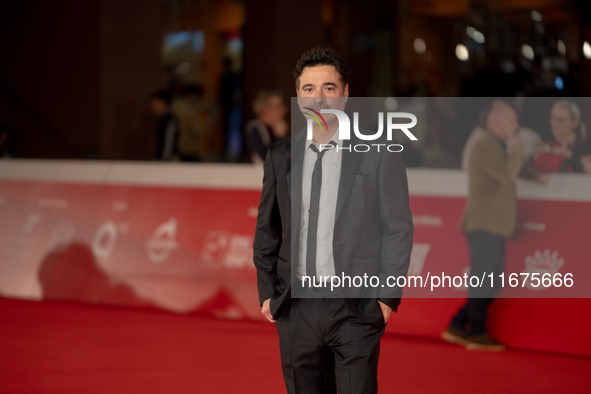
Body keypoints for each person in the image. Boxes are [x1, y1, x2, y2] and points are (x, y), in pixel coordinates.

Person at [253, 47, 413, 393]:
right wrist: (268, 292)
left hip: (355, 307)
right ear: (298, 97)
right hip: (296, 307)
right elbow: (266, 229)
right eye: (309, 89)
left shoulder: (380, 153)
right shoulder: (281, 155)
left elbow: (397, 228)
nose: (318, 98)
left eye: (329, 87)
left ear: (345, 94)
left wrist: (386, 297)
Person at [443, 100, 525, 351]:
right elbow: (506, 174)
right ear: (494, 122)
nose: (516, 126)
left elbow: (505, 171)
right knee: (485, 279)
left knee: (491, 280)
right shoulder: (485, 145)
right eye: (511, 121)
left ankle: (458, 324)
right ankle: (476, 331)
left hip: (490, 223)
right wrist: (518, 149)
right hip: (485, 223)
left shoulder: (492, 144)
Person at [532, 100, 591, 173]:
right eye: (553, 118)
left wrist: (570, 155)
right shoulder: (542, 140)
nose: (555, 123)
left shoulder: (584, 146)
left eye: (562, 120)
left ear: (575, 122)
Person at [245, 90, 288, 164]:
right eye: (278, 106)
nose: (284, 110)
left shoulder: (272, 129)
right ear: (266, 110)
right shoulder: (254, 128)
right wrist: (278, 137)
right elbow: (266, 158)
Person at [149, 90, 179, 161]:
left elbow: (169, 142)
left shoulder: (169, 119)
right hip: (162, 158)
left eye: (154, 102)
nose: (152, 105)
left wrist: (164, 160)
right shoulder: (163, 119)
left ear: (162, 102)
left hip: (166, 160)